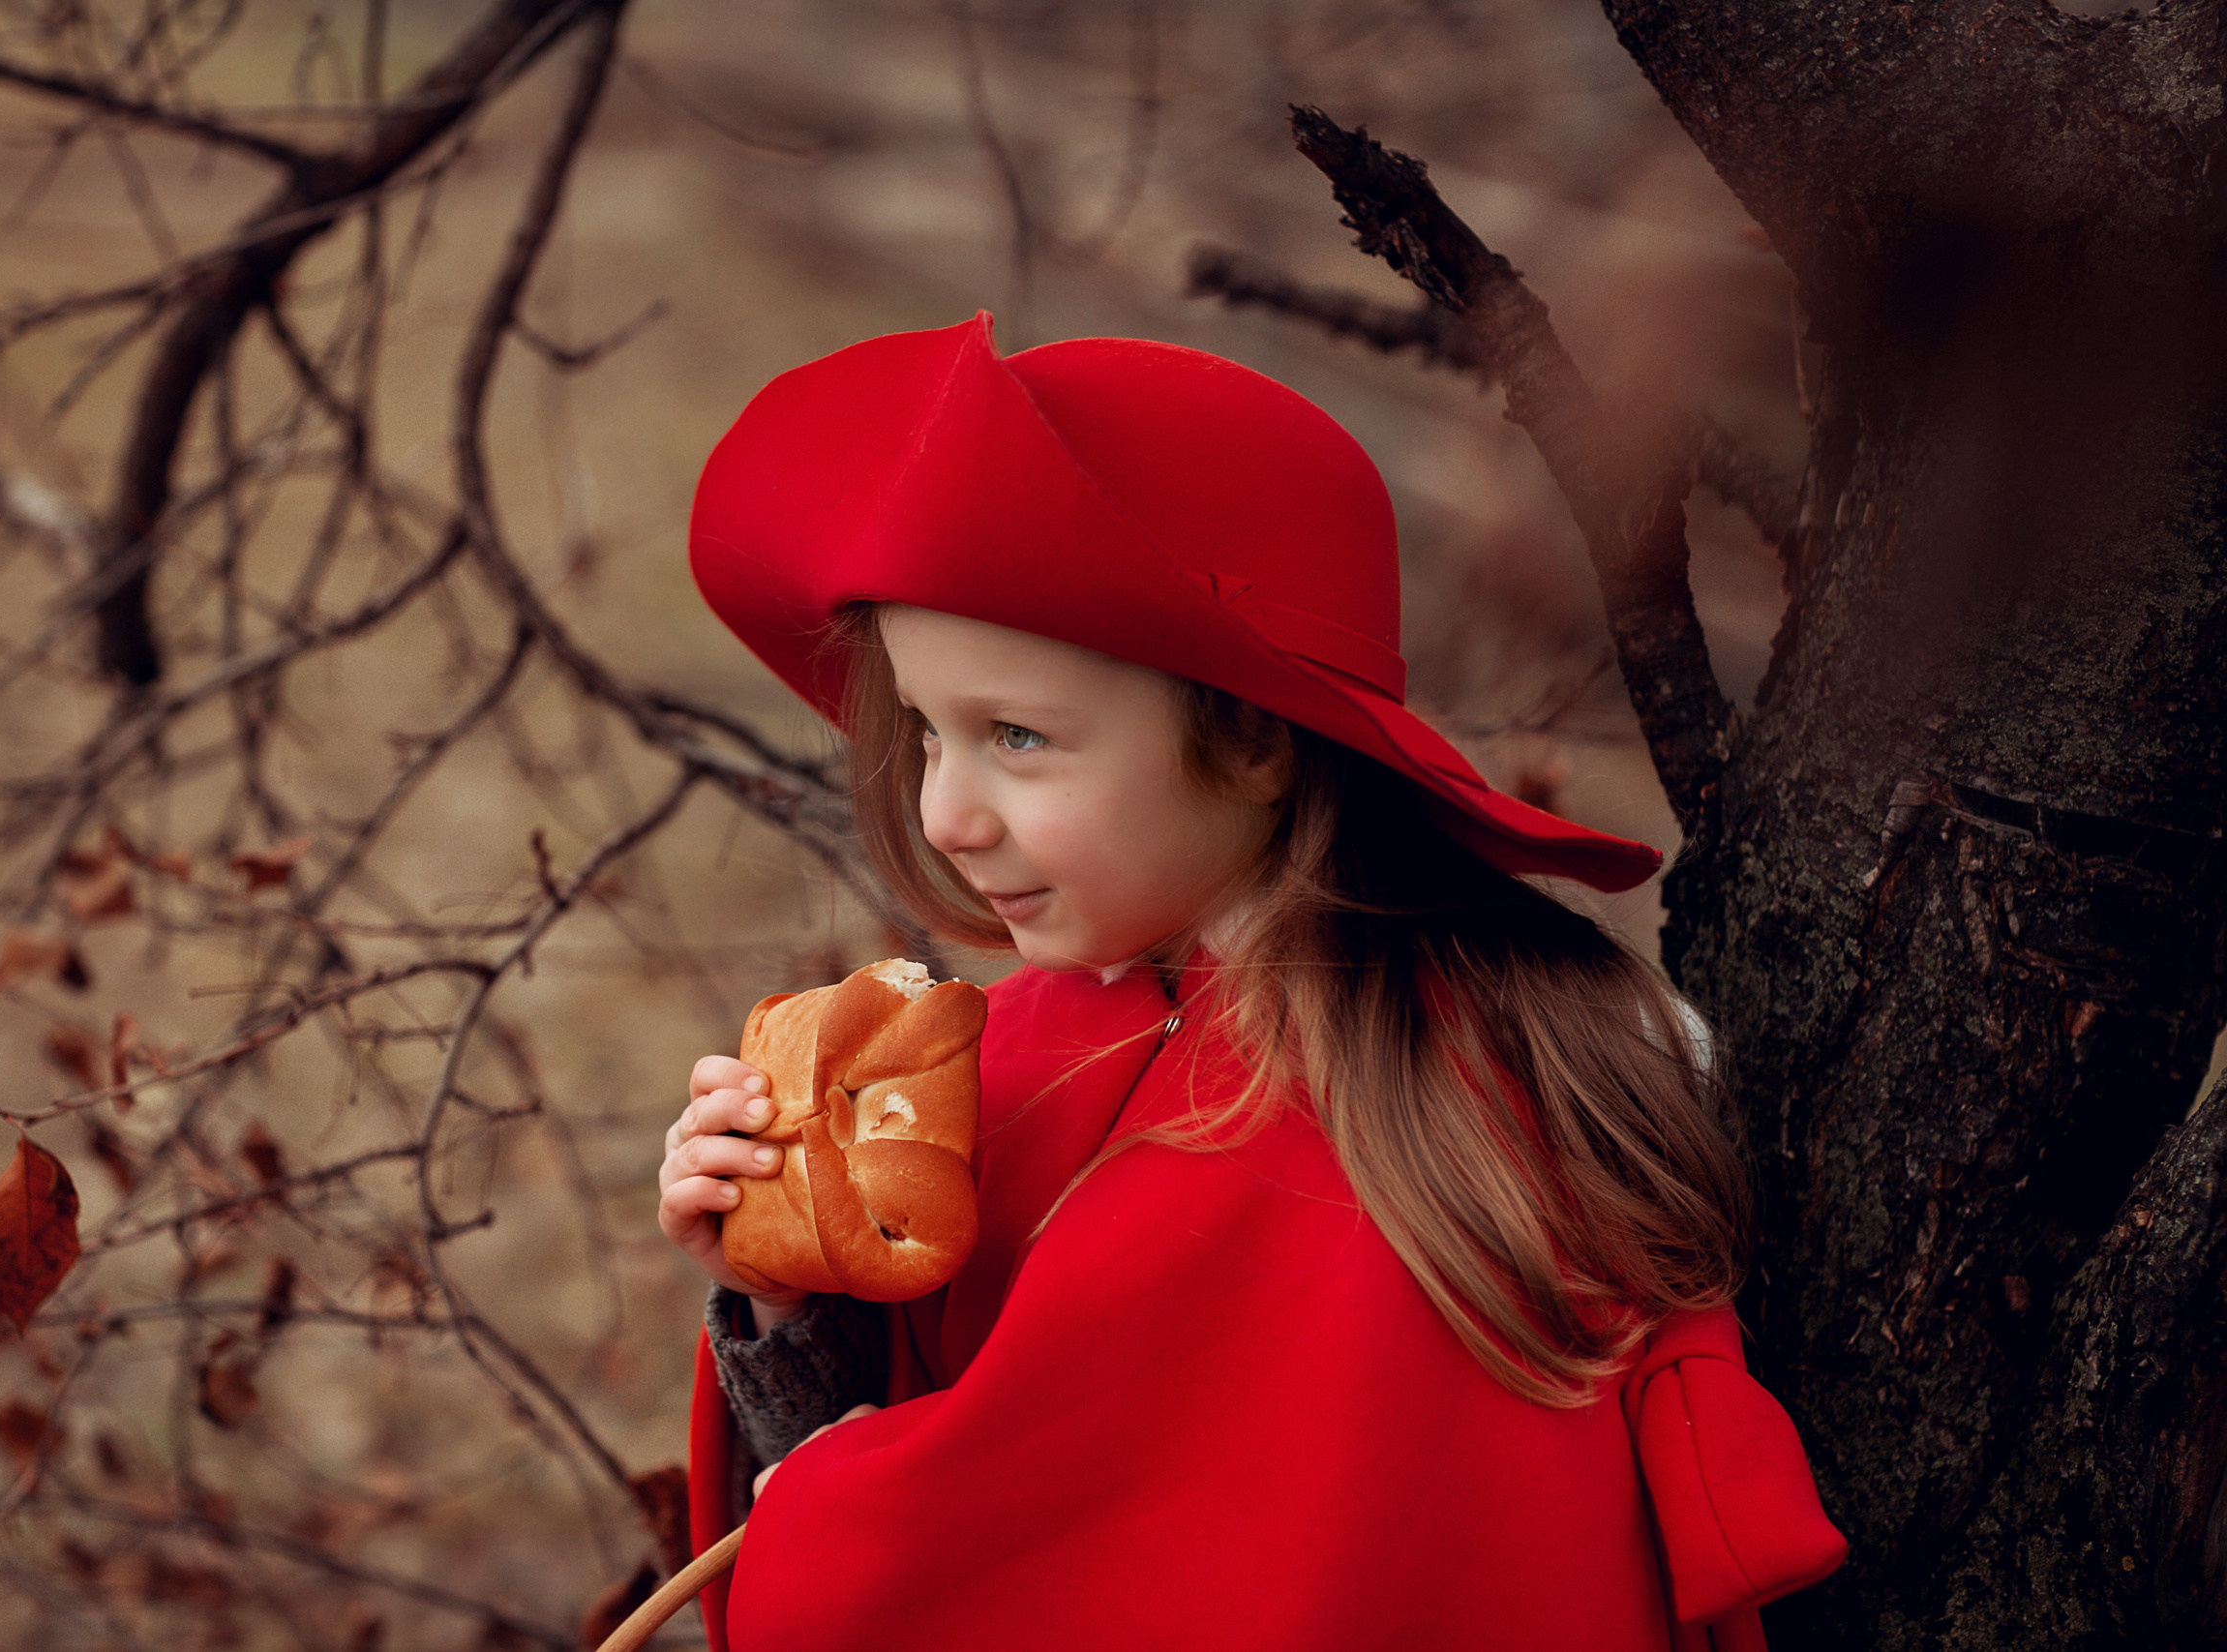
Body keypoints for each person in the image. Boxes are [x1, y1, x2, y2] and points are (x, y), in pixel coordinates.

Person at [657, 315, 1845, 1651]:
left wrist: (838, 1523)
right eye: (929, 734)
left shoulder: (1455, 1102)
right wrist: (788, 1291)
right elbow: (894, 1486)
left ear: (1257, 743)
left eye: (1021, 738)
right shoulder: (1001, 1074)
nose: (946, 814)